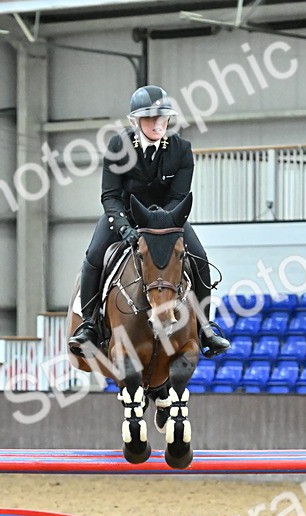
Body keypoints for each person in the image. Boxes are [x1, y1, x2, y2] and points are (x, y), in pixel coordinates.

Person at [68, 85, 230, 357]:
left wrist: (158, 227)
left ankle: (205, 327)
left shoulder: (181, 150)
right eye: (150, 119)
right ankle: (89, 324)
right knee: (94, 256)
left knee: (200, 257)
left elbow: (179, 196)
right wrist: (125, 228)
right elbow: (110, 195)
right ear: (136, 121)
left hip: (168, 219)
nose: (158, 124)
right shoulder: (118, 146)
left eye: (162, 118)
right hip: (125, 218)